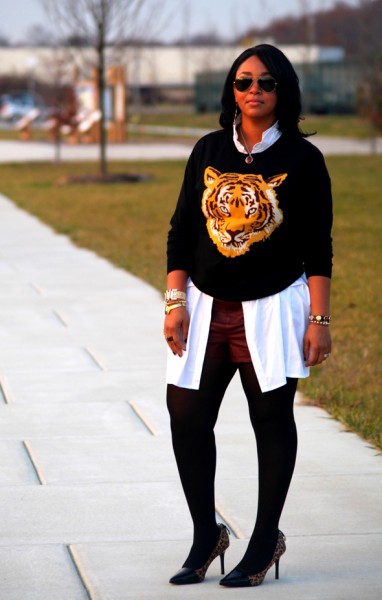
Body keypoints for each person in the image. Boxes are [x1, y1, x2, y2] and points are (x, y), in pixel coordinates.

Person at [163, 43, 332, 588]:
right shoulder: (209, 149)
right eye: (243, 82)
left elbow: (319, 250)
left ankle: (263, 541)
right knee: (186, 415)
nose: (253, 91)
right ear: (230, 91)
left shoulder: (304, 160)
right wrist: (174, 302)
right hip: (206, 306)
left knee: (271, 423)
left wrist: (319, 321)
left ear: (284, 90)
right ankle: (204, 533)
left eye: (266, 82)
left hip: (274, 307)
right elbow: (182, 232)